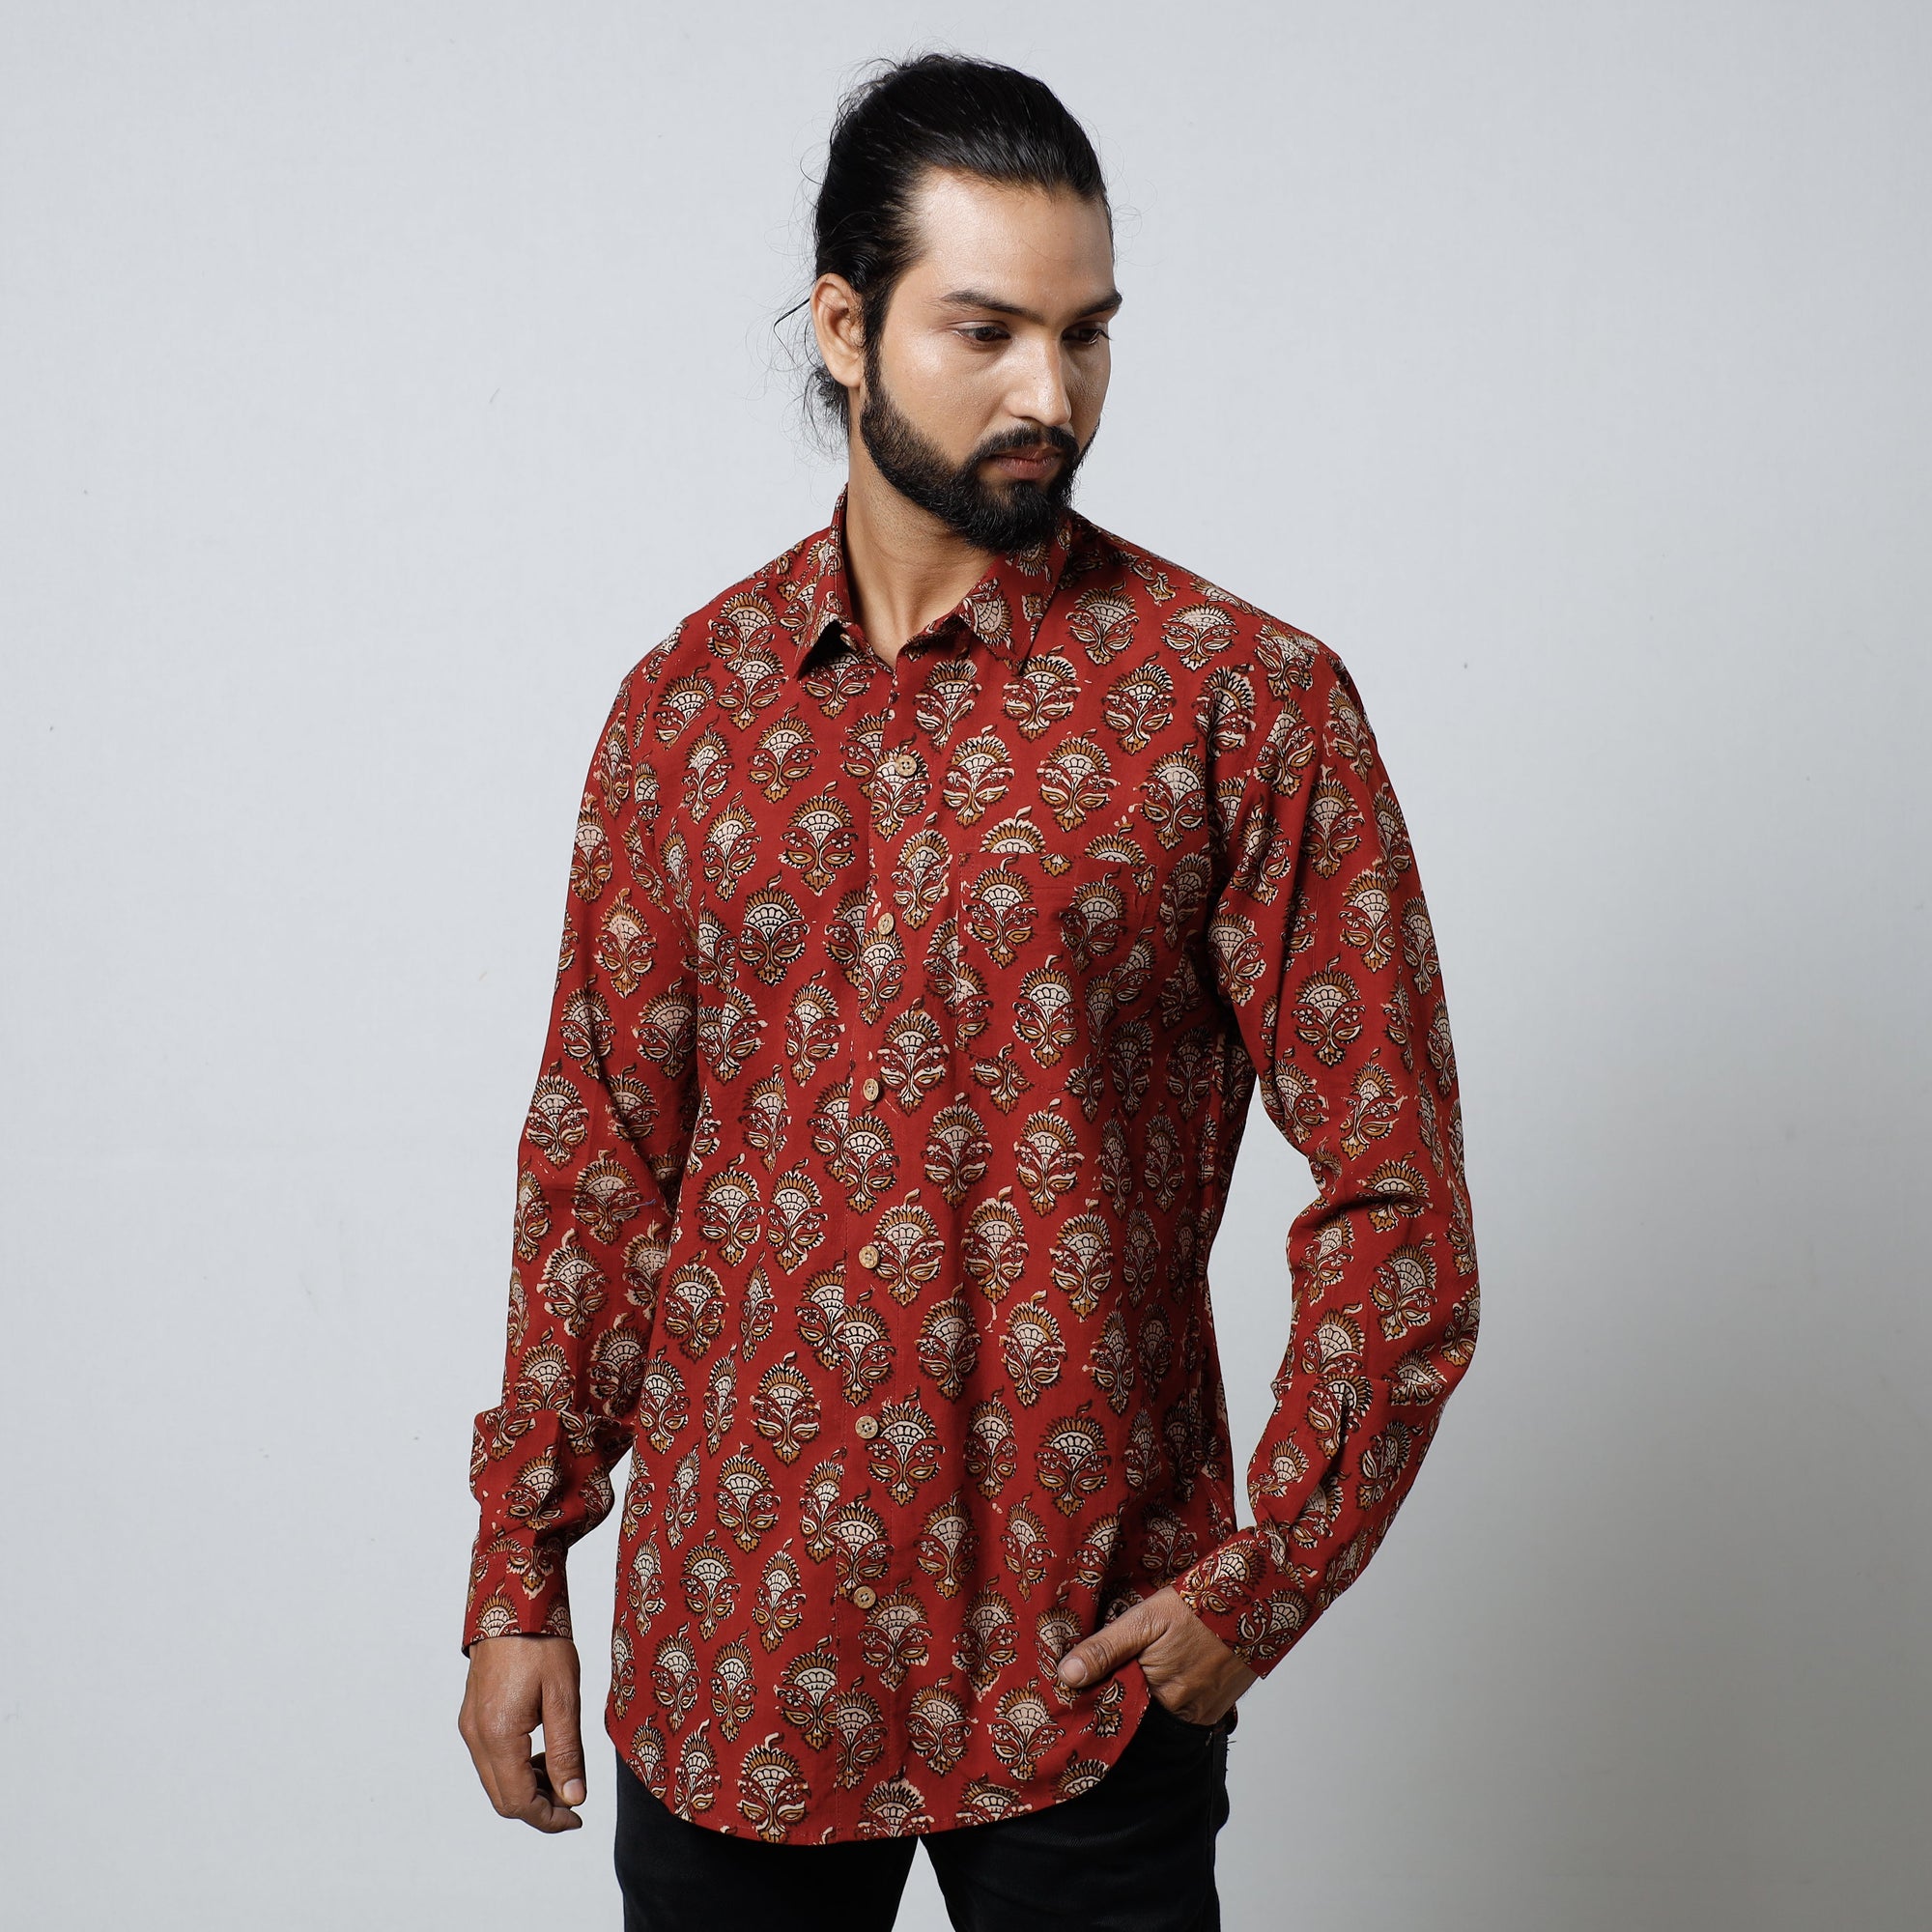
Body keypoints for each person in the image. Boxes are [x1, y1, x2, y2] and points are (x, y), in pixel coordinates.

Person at [457, 50, 1480, 1932]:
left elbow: (1395, 1185)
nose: (1050, 396)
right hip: (739, 1665)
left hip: (1088, 1676)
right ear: (847, 328)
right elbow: (597, 1168)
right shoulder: (685, 714)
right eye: (988, 331)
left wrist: (1263, 1580)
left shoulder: (1240, 704)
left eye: (1088, 336)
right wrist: (519, 1571)